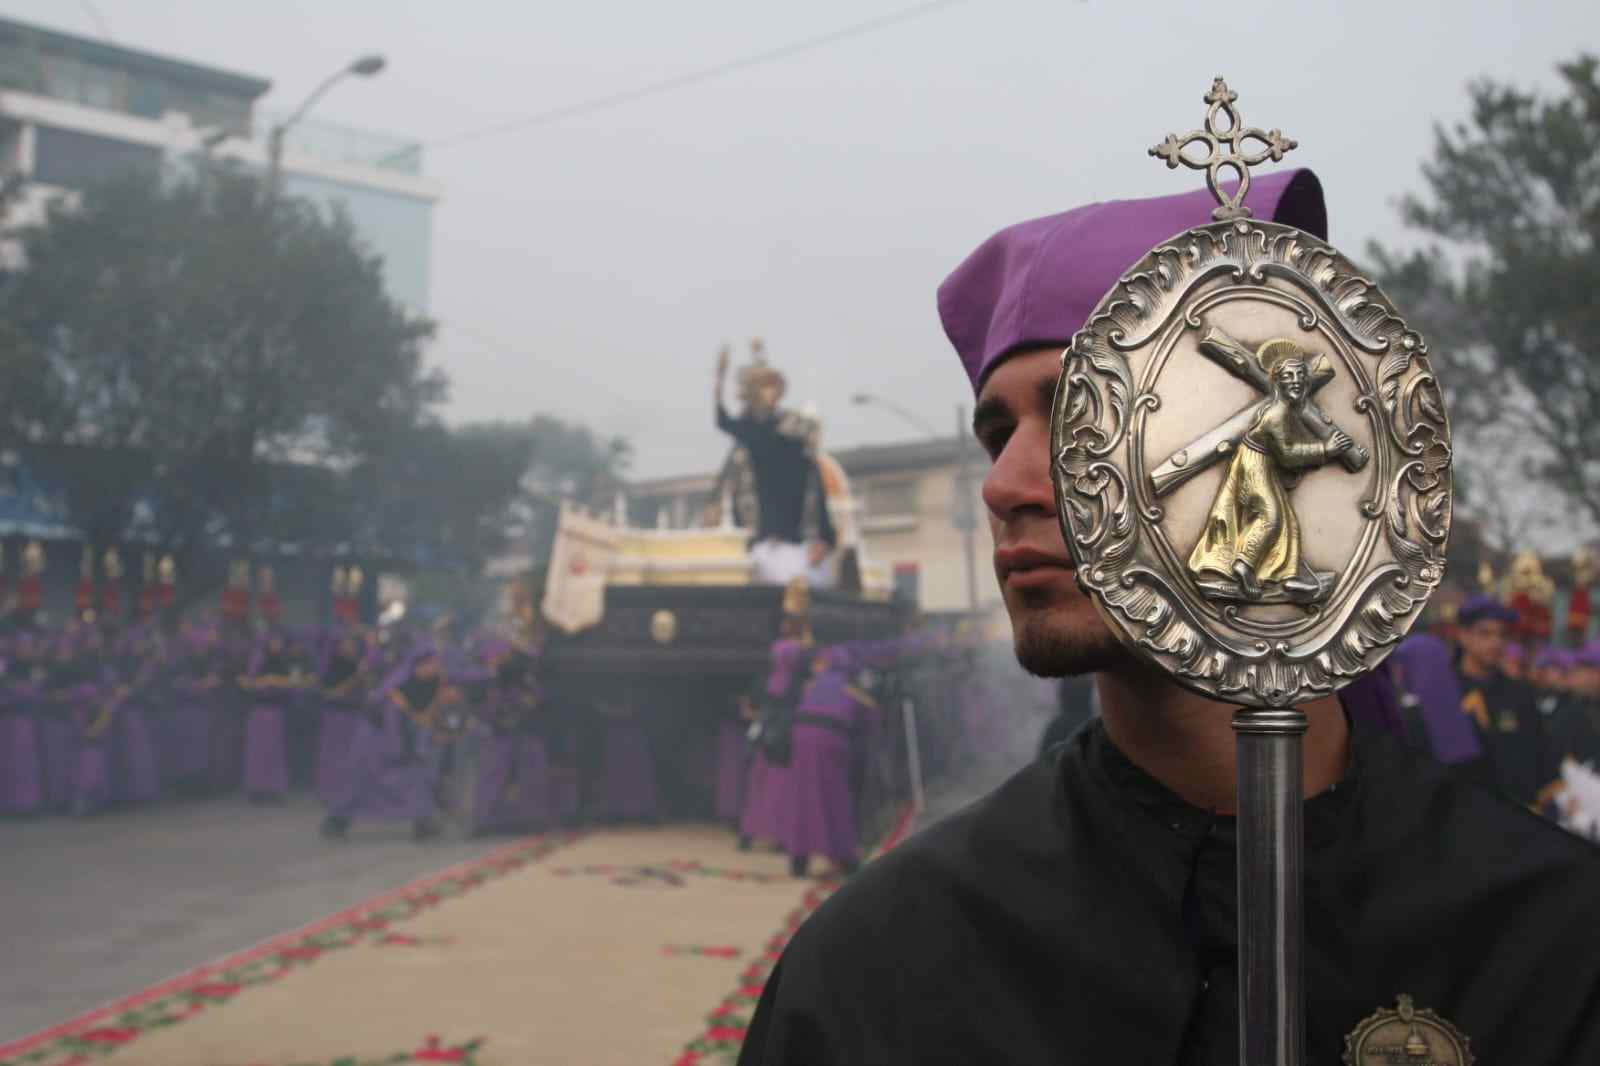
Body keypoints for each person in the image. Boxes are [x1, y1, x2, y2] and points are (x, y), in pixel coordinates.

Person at [738, 170, 1600, 1064]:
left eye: (1084, 409)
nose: (1004, 484)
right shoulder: (881, 966)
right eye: (998, 435)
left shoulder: (1546, 937)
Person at [712, 343, 836, 585]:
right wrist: (719, 380)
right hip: (760, 539)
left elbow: (814, 484)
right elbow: (724, 421)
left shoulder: (794, 431)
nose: (770, 394)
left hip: (795, 536)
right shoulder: (750, 434)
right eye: (764, 388)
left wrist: (823, 539)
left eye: (773, 387)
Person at [1454, 594, 1554, 807]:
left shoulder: (1519, 694)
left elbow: (1541, 754)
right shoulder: (1444, 690)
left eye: (1502, 635)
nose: (1496, 642)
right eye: (1485, 633)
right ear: (1463, 636)